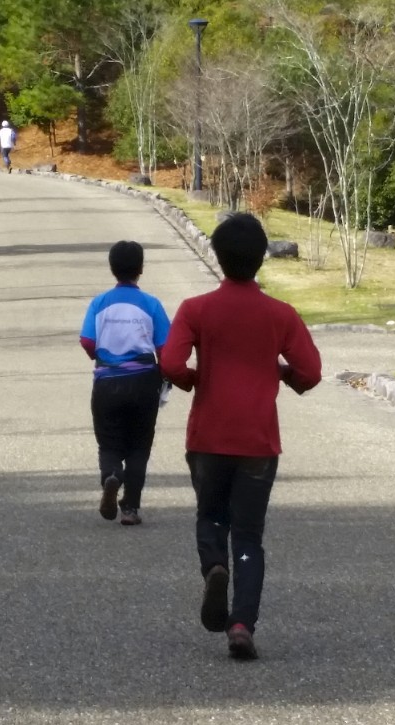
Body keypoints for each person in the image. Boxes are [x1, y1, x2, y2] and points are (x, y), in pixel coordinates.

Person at [160, 213, 322, 661]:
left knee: (211, 514)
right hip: (258, 441)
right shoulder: (280, 314)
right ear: (261, 260)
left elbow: (171, 364)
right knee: (249, 535)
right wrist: (282, 371)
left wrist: (195, 380)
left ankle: (214, 565)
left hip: (208, 434)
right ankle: (241, 624)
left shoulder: (196, 309)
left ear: (217, 255)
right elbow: (310, 373)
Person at [79, 241, 171, 526]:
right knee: (139, 446)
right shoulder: (152, 304)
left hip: (107, 380)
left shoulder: (99, 303)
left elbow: (87, 340)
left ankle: (111, 475)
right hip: (143, 380)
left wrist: (100, 355)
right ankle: (130, 507)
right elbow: (165, 347)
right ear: (141, 269)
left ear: (112, 268)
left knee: (109, 442)